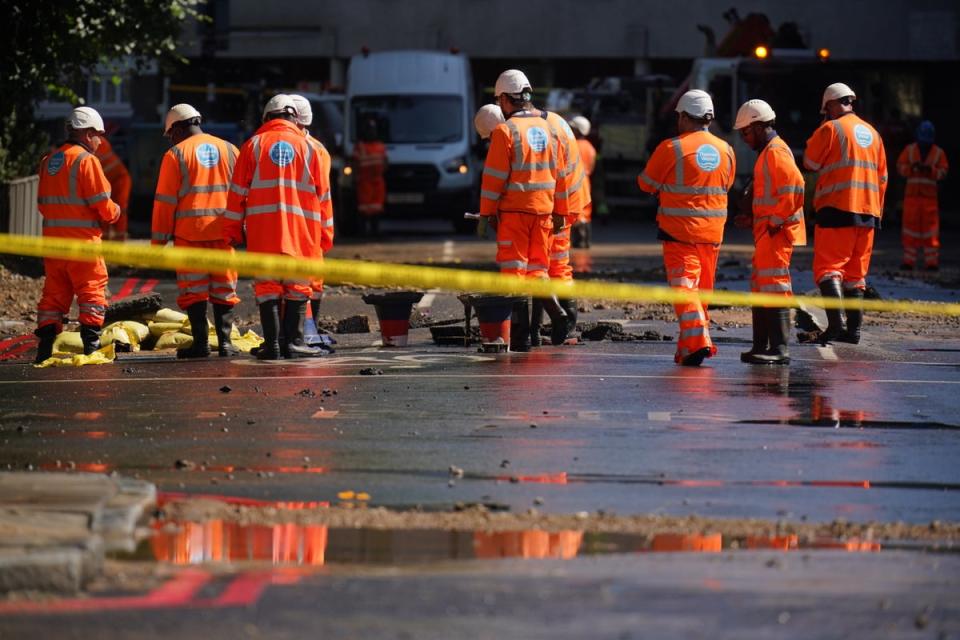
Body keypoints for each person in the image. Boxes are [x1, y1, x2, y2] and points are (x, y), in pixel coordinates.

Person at [224, 94, 328, 360]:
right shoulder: (310, 148)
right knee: (297, 285)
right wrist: (325, 235)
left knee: (267, 286)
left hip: (263, 231)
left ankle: (273, 345)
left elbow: (236, 194)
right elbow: (323, 195)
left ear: (266, 118)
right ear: (294, 117)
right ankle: (294, 343)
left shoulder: (252, 145)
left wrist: (232, 231)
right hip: (301, 231)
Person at [637, 89, 735, 366]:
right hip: (713, 232)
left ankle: (698, 341)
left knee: (684, 290)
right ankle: (687, 349)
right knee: (700, 292)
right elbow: (726, 185)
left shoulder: (672, 148)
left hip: (680, 233)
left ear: (682, 116)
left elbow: (646, 183)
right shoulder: (726, 149)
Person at [477, 69, 571, 351]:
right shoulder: (550, 128)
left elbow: (493, 179)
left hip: (516, 213)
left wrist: (485, 214)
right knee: (538, 270)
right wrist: (560, 212)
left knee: (514, 273)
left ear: (505, 99)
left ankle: (520, 338)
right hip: (544, 211)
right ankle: (556, 313)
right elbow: (561, 175)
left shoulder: (506, 131)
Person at [151, 103, 241, 358]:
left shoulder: (175, 155)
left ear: (178, 128)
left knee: (194, 291)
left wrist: (158, 243)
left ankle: (201, 344)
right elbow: (241, 193)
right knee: (224, 290)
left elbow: (165, 202)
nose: (171, 139)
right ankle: (225, 344)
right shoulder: (229, 149)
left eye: (171, 133)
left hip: (190, 235)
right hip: (223, 234)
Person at [34, 107, 121, 363]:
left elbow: (42, 205)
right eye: (98, 135)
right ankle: (91, 349)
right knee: (92, 294)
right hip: (83, 246)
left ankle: (44, 350)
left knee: (53, 297)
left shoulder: (48, 161)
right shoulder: (86, 161)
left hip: (53, 246)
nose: (100, 141)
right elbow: (104, 207)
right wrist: (116, 212)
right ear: (87, 133)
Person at [803, 83, 887, 345]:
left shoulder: (830, 128)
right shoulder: (873, 134)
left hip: (837, 207)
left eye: (826, 108)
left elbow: (810, 163)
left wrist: (820, 128)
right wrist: (877, 213)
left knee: (829, 269)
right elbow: (883, 176)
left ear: (830, 105)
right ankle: (854, 331)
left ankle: (836, 325)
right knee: (855, 274)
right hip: (869, 212)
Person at [733, 99, 806, 365]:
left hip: (776, 233)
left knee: (774, 287)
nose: (744, 138)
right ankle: (761, 346)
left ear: (761, 126)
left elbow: (796, 188)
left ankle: (779, 349)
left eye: (746, 132)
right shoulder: (767, 153)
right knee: (762, 287)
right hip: (766, 231)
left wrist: (774, 221)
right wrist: (753, 217)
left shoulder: (775, 152)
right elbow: (772, 196)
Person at [290, 94, 335, 341]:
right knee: (310, 283)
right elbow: (324, 199)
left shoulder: (286, 147)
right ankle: (308, 332)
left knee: (291, 285)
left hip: (294, 231)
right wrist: (325, 235)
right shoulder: (319, 150)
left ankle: (300, 334)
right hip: (311, 230)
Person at [896, 120, 948, 271]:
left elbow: (943, 172)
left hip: (929, 199)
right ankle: (908, 261)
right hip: (912, 197)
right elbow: (900, 167)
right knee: (909, 230)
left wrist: (930, 170)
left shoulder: (938, 153)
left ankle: (931, 263)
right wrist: (912, 168)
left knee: (930, 232)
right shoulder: (910, 150)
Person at [353, 116, 387, 237]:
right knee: (364, 208)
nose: (371, 132)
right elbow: (355, 163)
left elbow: (385, 163)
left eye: (373, 130)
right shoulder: (360, 146)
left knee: (376, 207)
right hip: (365, 181)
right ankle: (364, 231)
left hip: (377, 181)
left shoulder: (380, 146)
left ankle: (374, 230)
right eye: (369, 130)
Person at [94, 133, 132, 240]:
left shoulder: (97, 143)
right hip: (111, 181)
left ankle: (119, 238)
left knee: (120, 209)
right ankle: (106, 237)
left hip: (120, 179)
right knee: (104, 207)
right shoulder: (98, 143)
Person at [569, 115, 597, 249]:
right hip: (586, 180)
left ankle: (579, 241)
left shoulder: (573, 145)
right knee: (586, 210)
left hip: (575, 180)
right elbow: (591, 167)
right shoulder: (590, 146)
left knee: (576, 210)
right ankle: (586, 240)